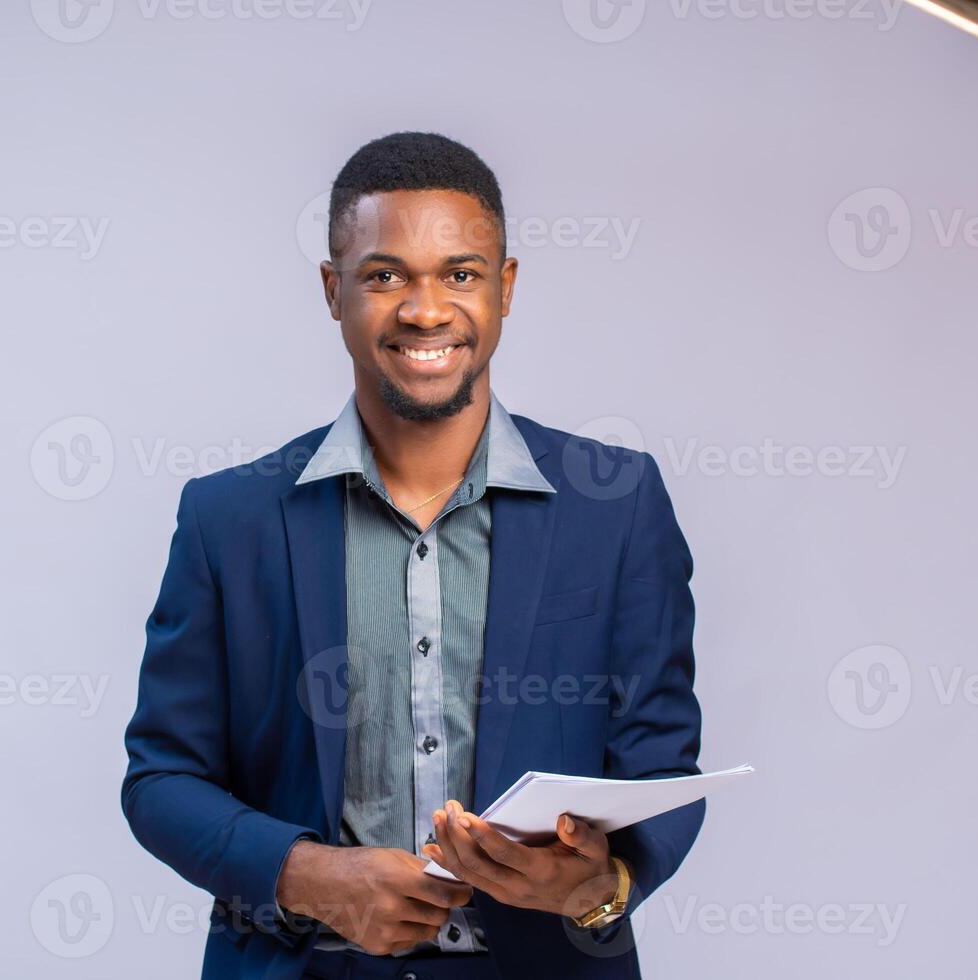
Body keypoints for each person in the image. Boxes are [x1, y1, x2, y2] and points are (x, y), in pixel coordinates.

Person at [122, 131, 704, 979]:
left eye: (460, 274)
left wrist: (599, 884)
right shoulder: (228, 518)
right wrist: (307, 875)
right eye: (384, 275)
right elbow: (162, 780)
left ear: (505, 289)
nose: (425, 310)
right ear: (334, 291)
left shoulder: (615, 505)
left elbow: (661, 765)